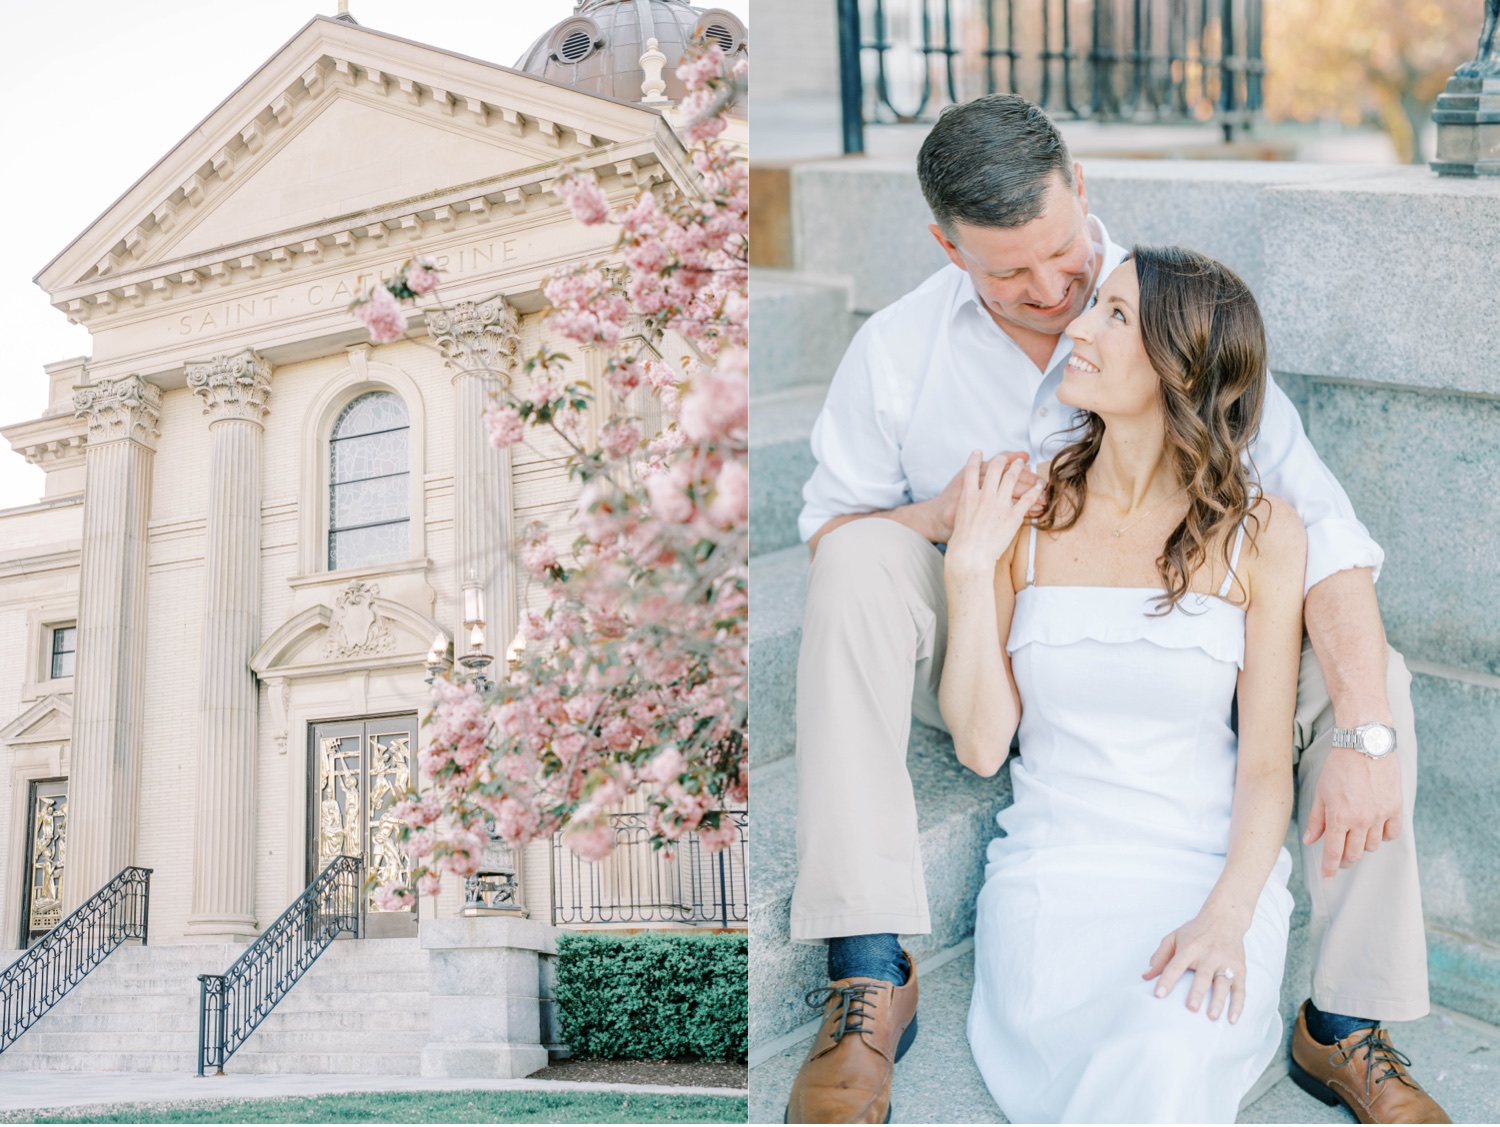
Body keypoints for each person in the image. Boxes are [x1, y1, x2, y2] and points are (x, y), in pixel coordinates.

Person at [783, 94, 1446, 1125]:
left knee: (1377, 687)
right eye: (1008, 272)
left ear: (1081, 191)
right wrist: (953, 525)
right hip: (982, 647)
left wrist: (1363, 722)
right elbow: (832, 525)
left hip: (1195, 658)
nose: (1053, 295)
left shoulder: (1173, 314)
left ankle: (1348, 1019)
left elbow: (1331, 541)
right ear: (944, 244)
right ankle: (866, 966)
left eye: (1065, 259)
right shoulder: (899, 351)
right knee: (863, 552)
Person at [949, 246, 1302, 1122]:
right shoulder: (1026, 512)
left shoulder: (1264, 534)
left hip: (1206, 878)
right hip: (1053, 881)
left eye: (1113, 315)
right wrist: (968, 570)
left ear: (1181, 364)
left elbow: (1265, 767)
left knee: (1160, 1060)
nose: (1076, 326)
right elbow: (983, 744)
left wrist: (1227, 915)